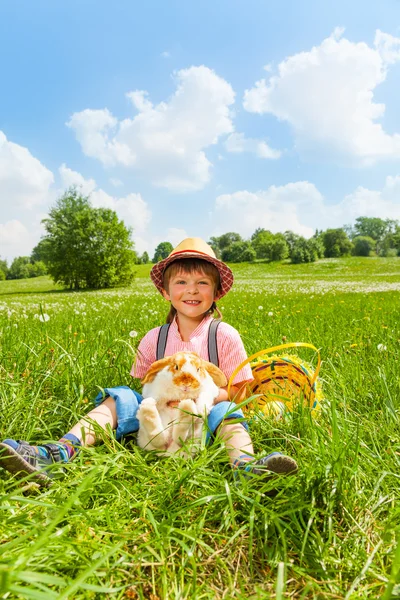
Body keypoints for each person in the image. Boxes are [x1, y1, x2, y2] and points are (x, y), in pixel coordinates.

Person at [0, 237, 297, 485]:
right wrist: (163, 400)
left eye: (202, 282)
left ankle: (245, 467)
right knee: (119, 397)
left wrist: (197, 399)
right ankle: (58, 453)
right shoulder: (154, 338)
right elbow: (143, 386)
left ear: (216, 291)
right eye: (181, 281)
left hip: (201, 426)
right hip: (157, 427)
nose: (191, 290)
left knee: (228, 411)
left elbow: (239, 392)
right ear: (166, 291)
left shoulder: (225, 335)